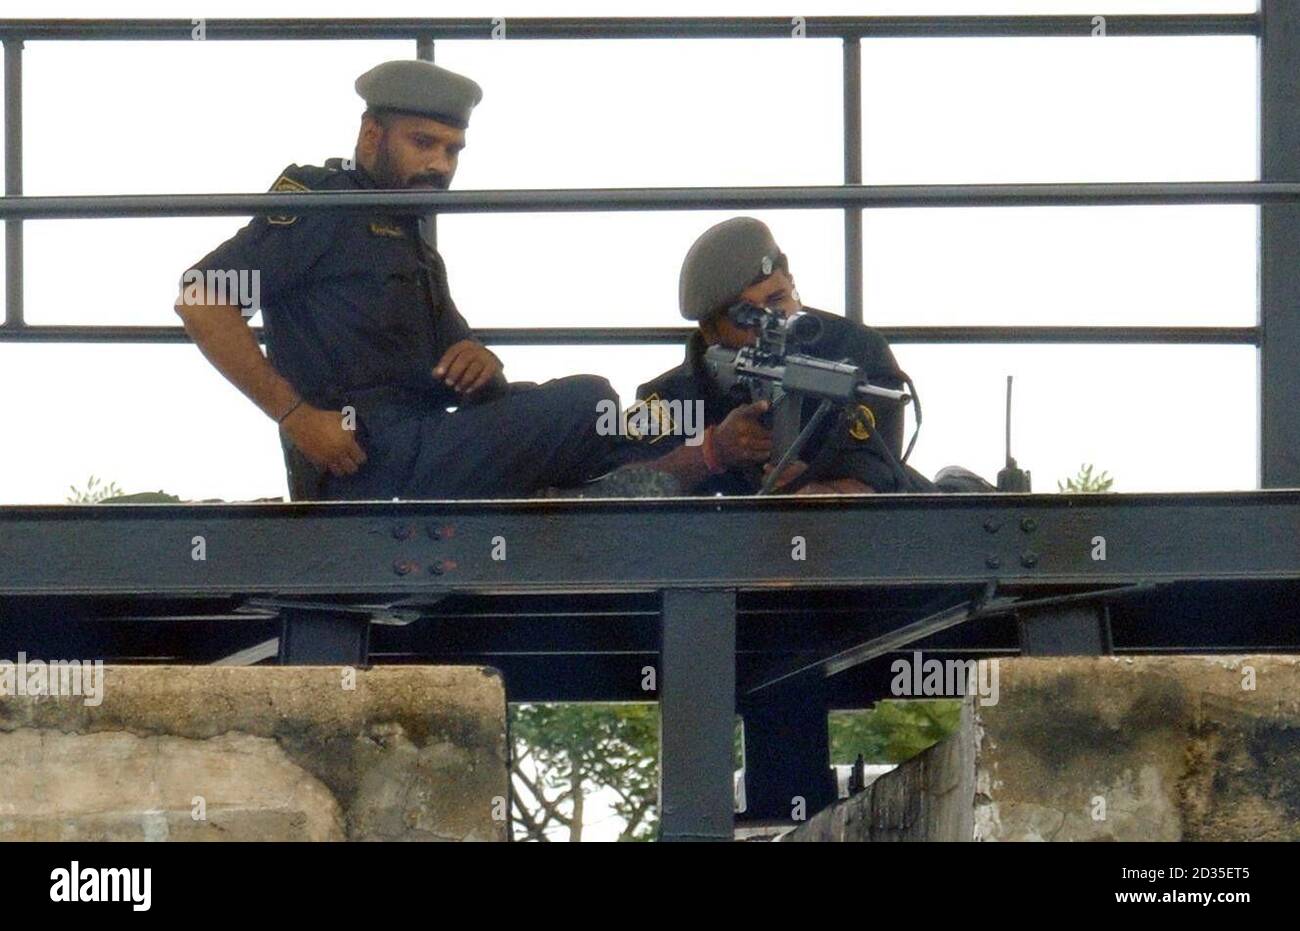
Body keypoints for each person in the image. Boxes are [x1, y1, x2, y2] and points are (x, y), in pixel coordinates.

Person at [174, 59, 647, 500]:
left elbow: (467, 378)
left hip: (419, 443)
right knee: (589, 400)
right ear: (370, 136)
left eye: (452, 150)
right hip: (363, 462)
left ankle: (647, 479)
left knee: (593, 414)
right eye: (423, 143)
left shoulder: (413, 245)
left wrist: (481, 366)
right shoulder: (326, 205)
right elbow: (202, 298)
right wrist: (296, 418)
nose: (440, 165)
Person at [629, 217, 993, 495]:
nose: (771, 323)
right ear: (710, 331)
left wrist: (816, 493)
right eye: (747, 316)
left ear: (793, 286)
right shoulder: (670, 398)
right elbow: (627, 495)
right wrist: (713, 451)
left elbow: (877, 478)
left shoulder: (855, 352)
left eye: (778, 301)